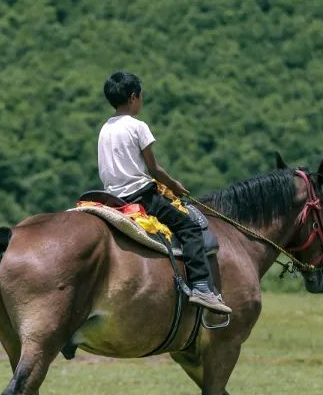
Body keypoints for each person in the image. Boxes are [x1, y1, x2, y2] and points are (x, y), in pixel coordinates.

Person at [97, 70, 232, 315]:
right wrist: (174, 185)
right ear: (133, 97)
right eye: (141, 96)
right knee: (189, 227)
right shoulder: (138, 126)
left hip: (112, 198)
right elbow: (153, 168)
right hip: (140, 196)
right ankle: (202, 287)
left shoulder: (105, 128)